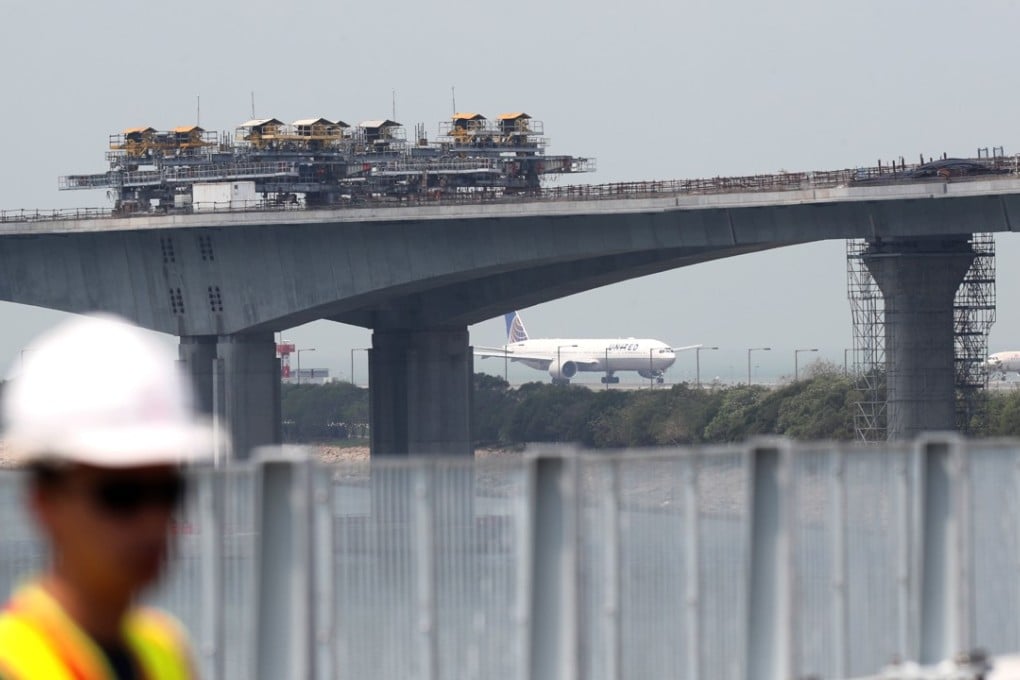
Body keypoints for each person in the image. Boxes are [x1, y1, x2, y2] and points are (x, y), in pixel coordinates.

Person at [0, 314, 218, 679]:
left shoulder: (164, 648)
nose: (153, 521)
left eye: (168, 492)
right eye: (121, 495)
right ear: (44, 502)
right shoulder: (12, 662)